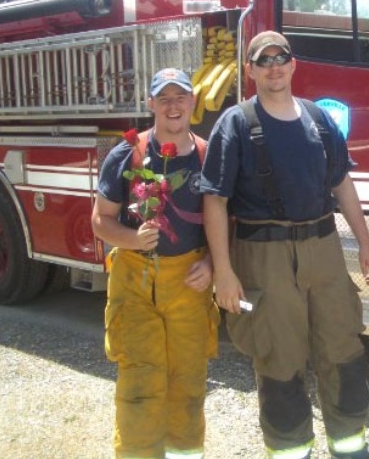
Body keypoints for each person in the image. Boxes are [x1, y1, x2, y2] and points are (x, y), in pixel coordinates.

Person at [200, 31, 369, 459]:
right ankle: (290, 449)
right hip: (265, 257)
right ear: (250, 71)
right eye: (263, 61)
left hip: (324, 249)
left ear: (293, 64)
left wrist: (366, 244)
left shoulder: (318, 119)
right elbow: (215, 201)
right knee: (279, 356)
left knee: (341, 345)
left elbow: (342, 183)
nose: (274, 67)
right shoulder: (236, 124)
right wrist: (223, 271)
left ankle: (349, 443)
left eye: (281, 58)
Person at [91, 68, 219, 459]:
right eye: (164, 98)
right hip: (134, 283)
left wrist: (212, 264)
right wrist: (133, 239)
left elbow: (224, 221)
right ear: (151, 104)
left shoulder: (209, 156)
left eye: (180, 97)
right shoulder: (126, 155)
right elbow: (100, 220)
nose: (173, 106)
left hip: (189, 285)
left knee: (188, 383)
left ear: (193, 102)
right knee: (140, 385)